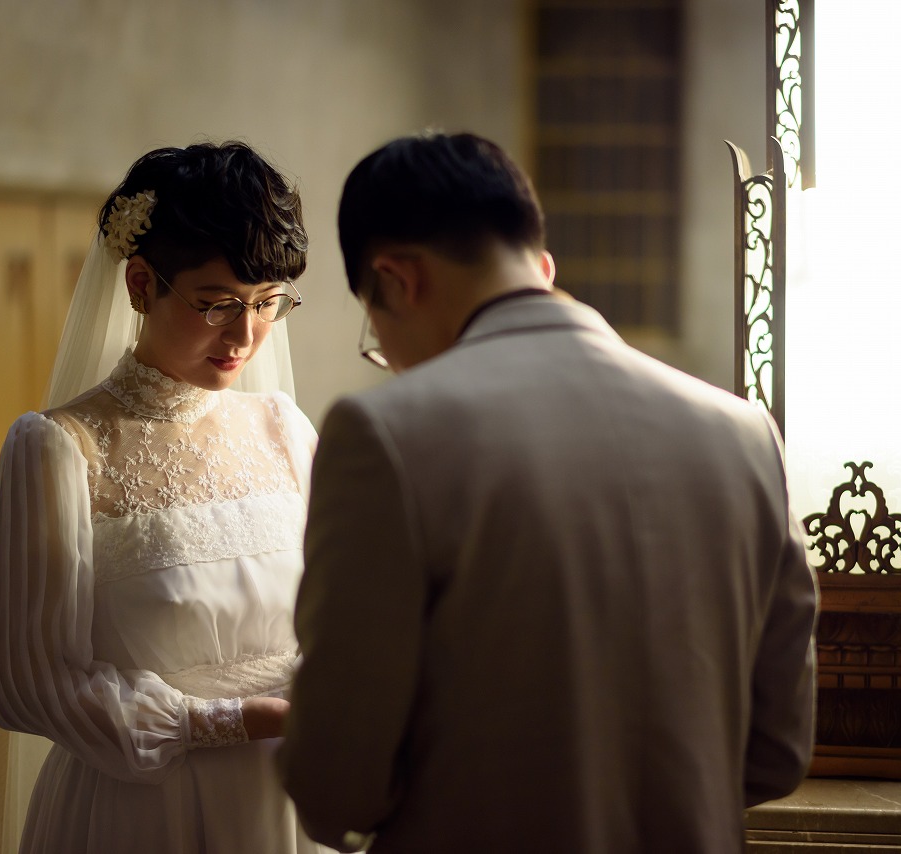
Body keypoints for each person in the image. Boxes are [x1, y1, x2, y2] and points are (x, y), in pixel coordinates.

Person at [279, 131, 819, 853]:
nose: (390, 359)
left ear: (397, 279)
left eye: (376, 331)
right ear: (541, 264)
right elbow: (778, 749)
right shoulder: (743, 433)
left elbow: (338, 779)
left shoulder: (387, 434)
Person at [0, 141, 327, 853]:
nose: (246, 336)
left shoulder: (286, 431)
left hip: (289, 801)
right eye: (217, 304)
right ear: (141, 286)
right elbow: (28, 683)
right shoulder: (57, 448)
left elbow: (339, 610)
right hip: (143, 811)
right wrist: (224, 722)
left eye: (267, 304)